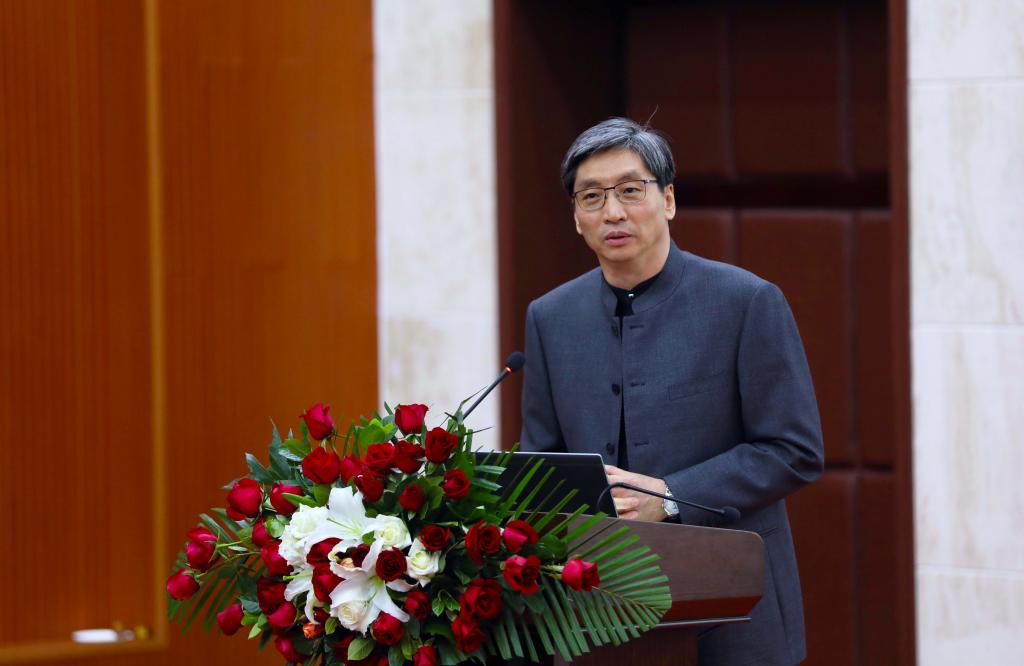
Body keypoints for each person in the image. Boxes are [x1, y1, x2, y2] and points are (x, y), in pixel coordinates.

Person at [519, 117, 824, 665]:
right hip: (594, 614)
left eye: (630, 190)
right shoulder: (550, 317)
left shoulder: (745, 301)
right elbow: (541, 461)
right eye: (592, 197)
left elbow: (794, 450)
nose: (613, 212)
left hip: (733, 605)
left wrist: (670, 495)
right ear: (577, 218)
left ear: (668, 200)